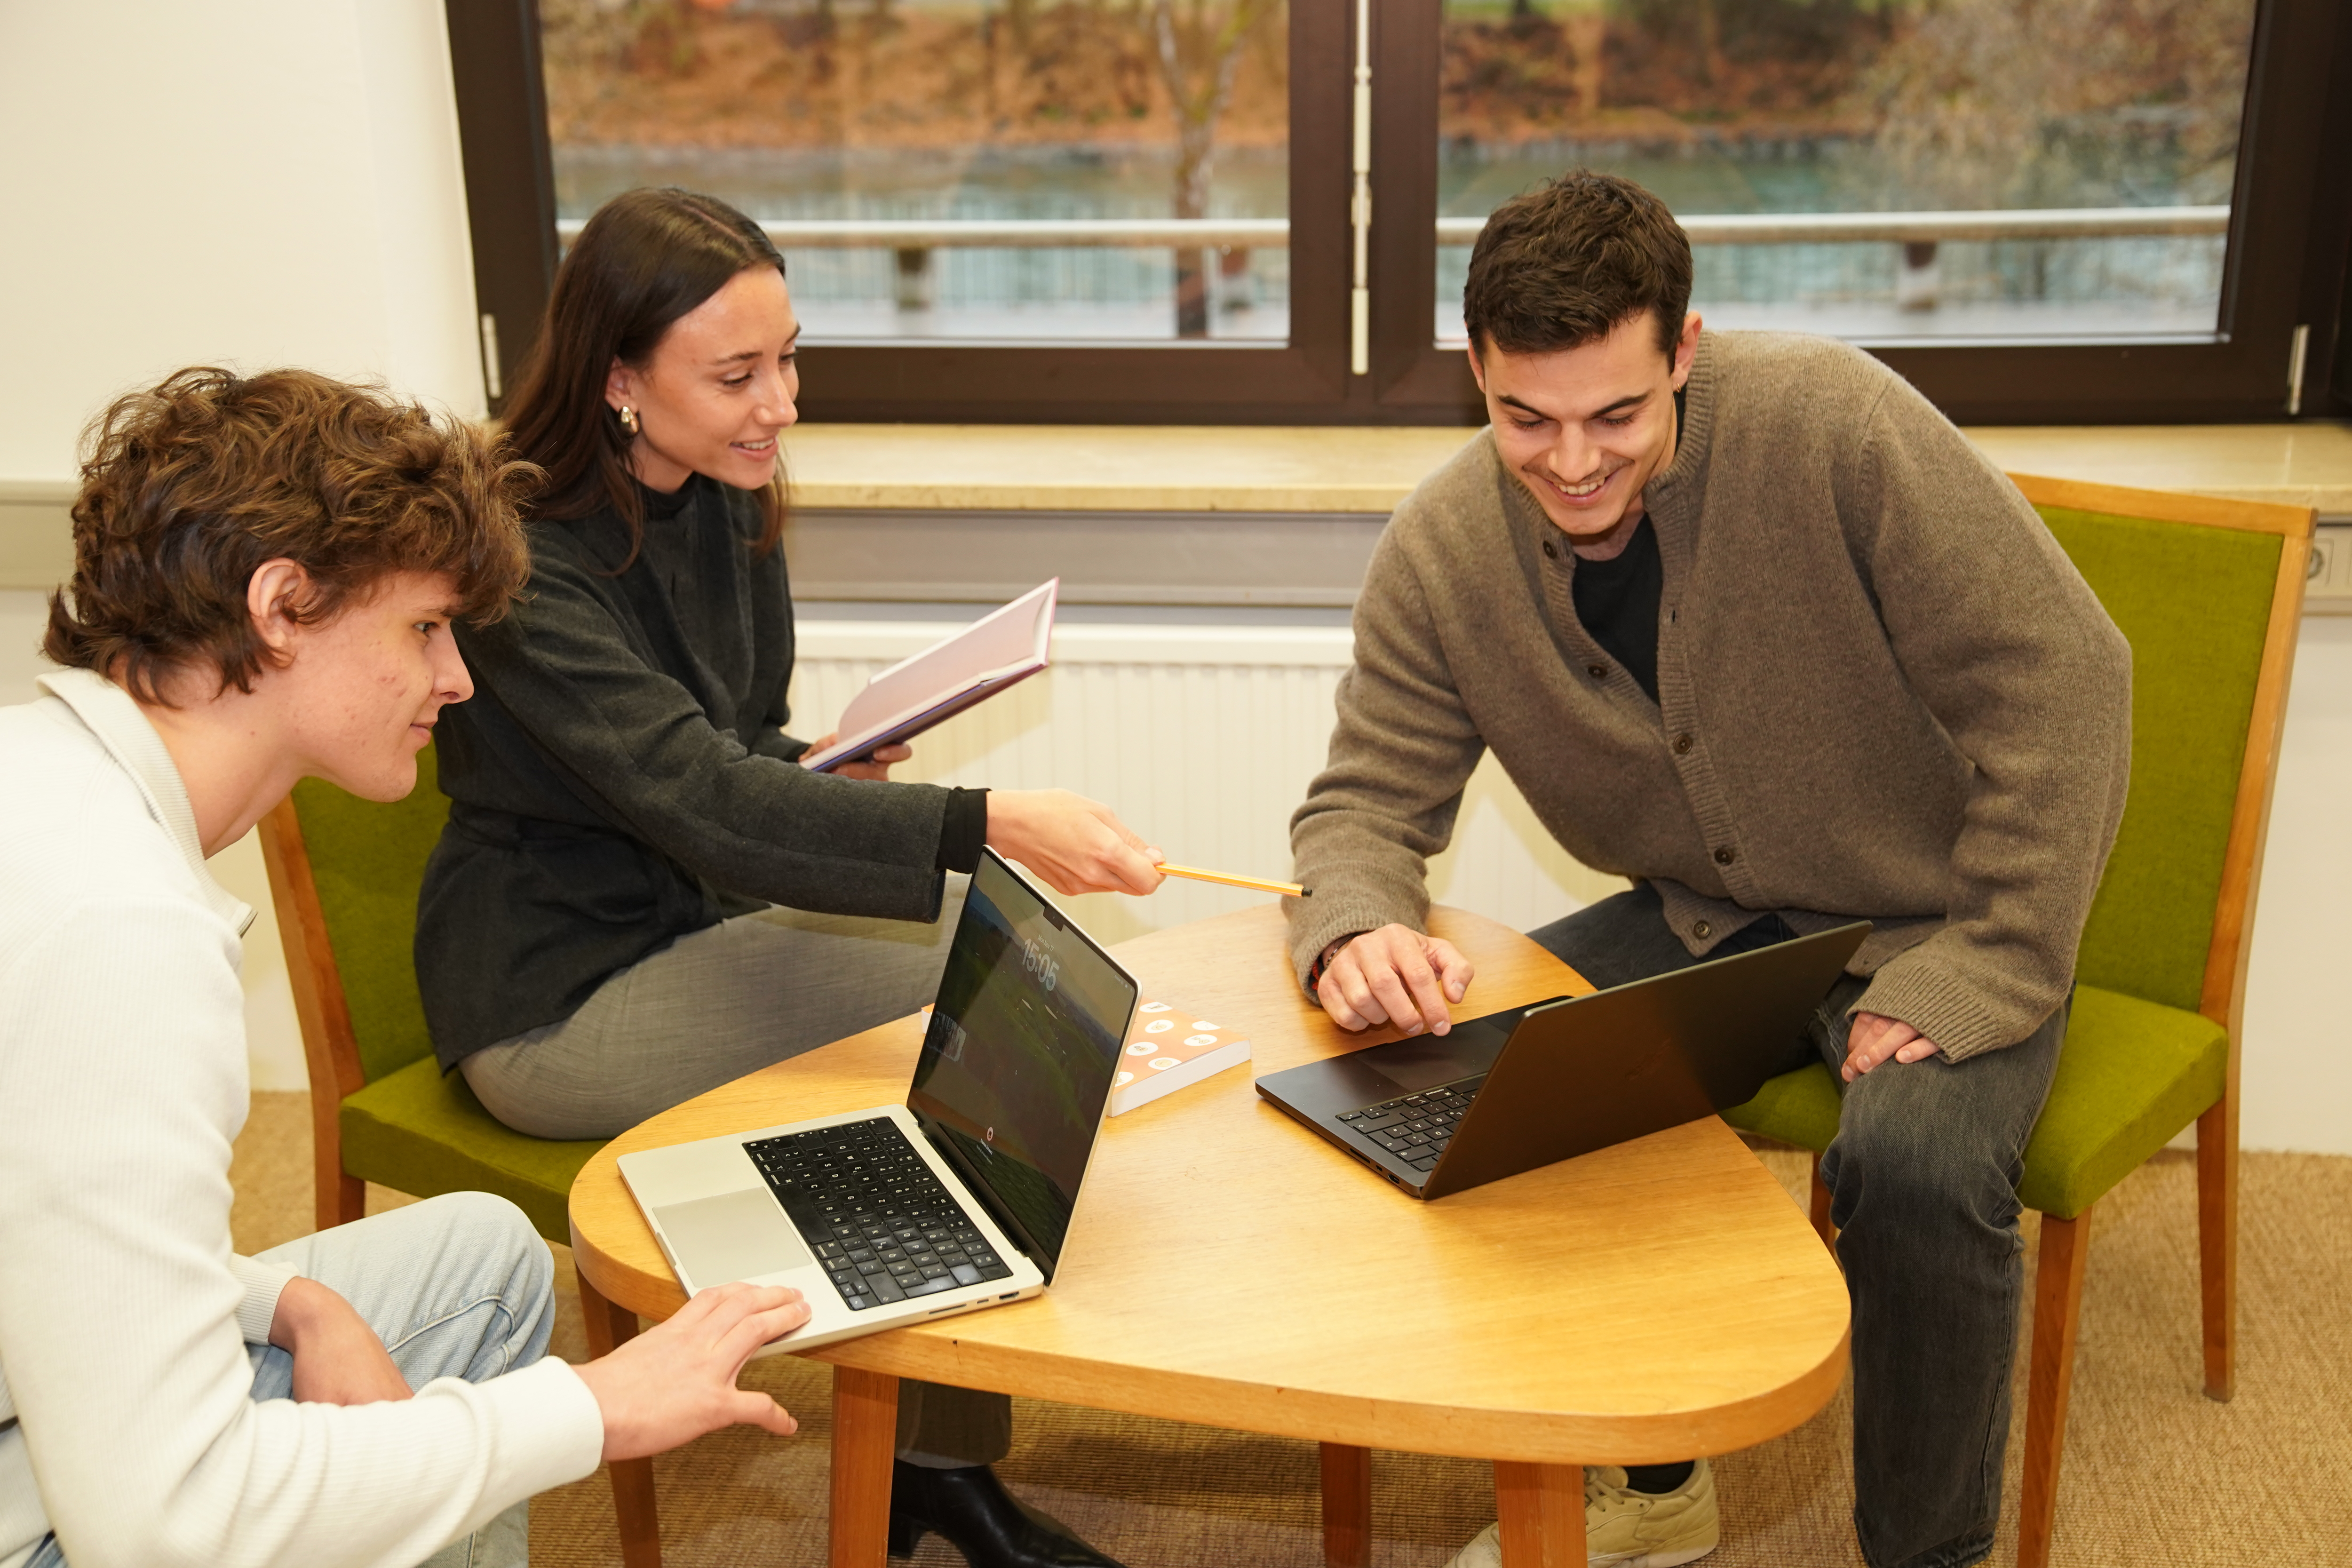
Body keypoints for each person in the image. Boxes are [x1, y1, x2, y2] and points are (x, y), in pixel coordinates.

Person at [1284, 173, 2130, 1568]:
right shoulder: (1443, 548)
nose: (1570, 463)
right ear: (1477, 377)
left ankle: (1929, 1554)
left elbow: (2070, 681)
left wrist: (1993, 960)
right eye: (1523, 417)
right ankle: (1655, 1480)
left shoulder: (1837, 427)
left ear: (1685, 349)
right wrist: (1358, 922)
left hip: (1933, 921)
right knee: (1470, 1097)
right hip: (1700, 921)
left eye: (1617, 413)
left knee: (1912, 1165)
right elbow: (1365, 801)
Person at [413, 186, 1156, 1568]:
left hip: (699, 914)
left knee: (976, 952)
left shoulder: (721, 494)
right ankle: (935, 1462)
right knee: (980, 952)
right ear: (621, 381)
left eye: (791, 359)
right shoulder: (516, 556)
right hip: (554, 994)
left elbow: (725, 742)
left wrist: (823, 762)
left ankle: (929, 1458)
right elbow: (698, 799)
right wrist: (979, 814)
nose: (783, 404)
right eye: (739, 374)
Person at [0, 366, 821, 1568]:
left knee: (480, 1256)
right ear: (282, 606)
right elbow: (169, 1524)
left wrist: (287, 1299)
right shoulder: (117, 931)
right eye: (425, 627)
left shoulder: (43, 772)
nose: (459, 678)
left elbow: (48, 1225)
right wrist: (595, 1406)